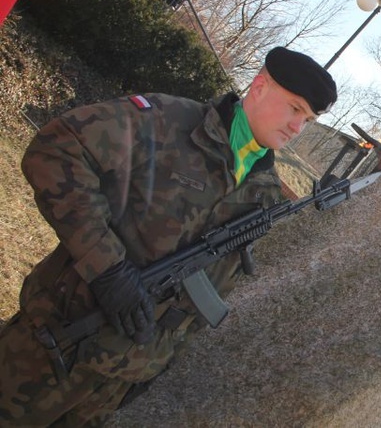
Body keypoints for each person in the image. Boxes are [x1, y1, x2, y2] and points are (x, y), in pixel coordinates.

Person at [0, 46, 336, 426]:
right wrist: (107, 268)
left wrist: (162, 364)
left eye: (307, 120)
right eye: (294, 108)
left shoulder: (265, 192)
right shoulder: (168, 122)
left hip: (119, 385)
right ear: (259, 86)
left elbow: (215, 291)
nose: (297, 127)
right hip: (50, 349)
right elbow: (58, 149)